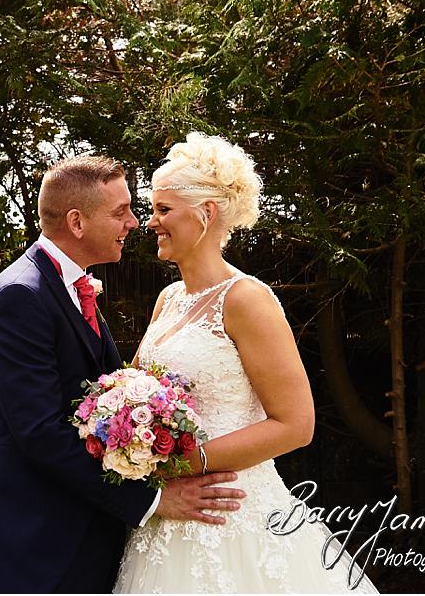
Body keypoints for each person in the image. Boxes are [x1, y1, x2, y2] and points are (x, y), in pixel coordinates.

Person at [0, 155, 247, 593]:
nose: (134, 222)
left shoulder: (69, 286)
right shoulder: (18, 299)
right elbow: (40, 434)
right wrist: (153, 500)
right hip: (35, 539)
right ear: (76, 222)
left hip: (82, 526)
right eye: (120, 211)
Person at [113, 133, 378, 593]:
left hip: (231, 511)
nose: (151, 222)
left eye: (163, 209)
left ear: (206, 213)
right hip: (169, 513)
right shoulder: (168, 300)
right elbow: (136, 394)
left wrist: (186, 463)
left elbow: (296, 424)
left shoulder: (247, 299)